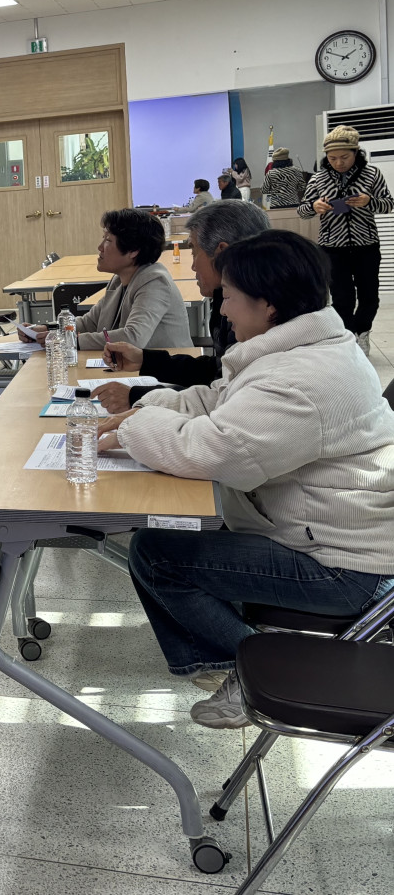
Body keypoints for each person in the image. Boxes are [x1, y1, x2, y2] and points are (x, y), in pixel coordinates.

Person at [98, 232, 394, 728]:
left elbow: (211, 452)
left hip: (346, 570)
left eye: (230, 296)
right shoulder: (305, 349)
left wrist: (132, 428)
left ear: (269, 305)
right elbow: (221, 403)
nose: (223, 308)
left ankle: (259, 668)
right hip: (333, 539)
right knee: (189, 532)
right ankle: (239, 657)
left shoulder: (300, 380)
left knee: (157, 554)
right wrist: (144, 406)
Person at [93, 200, 269, 412]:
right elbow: (218, 371)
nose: (192, 265)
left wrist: (136, 396)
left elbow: (223, 395)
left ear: (221, 253)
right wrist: (145, 361)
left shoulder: (254, 315)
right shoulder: (235, 299)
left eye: (193, 251)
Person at [27, 208, 191, 350]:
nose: (100, 247)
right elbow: (89, 323)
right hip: (130, 370)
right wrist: (47, 329)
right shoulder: (119, 280)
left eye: (107, 240)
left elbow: (133, 337)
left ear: (133, 250)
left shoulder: (154, 282)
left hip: (163, 374)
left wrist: (70, 341)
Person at [298, 125, 393, 354]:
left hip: (366, 245)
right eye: (332, 158)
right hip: (332, 248)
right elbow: (302, 210)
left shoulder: (372, 174)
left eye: (344, 157)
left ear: (356, 152)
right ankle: (350, 339)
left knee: (369, 296)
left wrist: (369, 202)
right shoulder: (318, 178)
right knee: (342, 298)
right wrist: (314, 206)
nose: (339, 163)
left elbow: (388, 204)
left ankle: (363, 331)